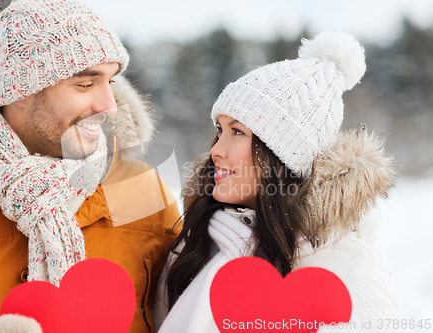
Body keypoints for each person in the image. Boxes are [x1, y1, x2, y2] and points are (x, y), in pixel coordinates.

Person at [0, 0, 180, 332]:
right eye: (85, 84)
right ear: (20, 90)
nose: (109, 105)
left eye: (111, 81)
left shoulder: (140, 188)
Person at [153, 31, 400, 332]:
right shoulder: (191, 251)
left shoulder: (354, 267)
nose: (216, 150)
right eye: (219, 130)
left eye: (238, 132)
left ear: (283, 155)